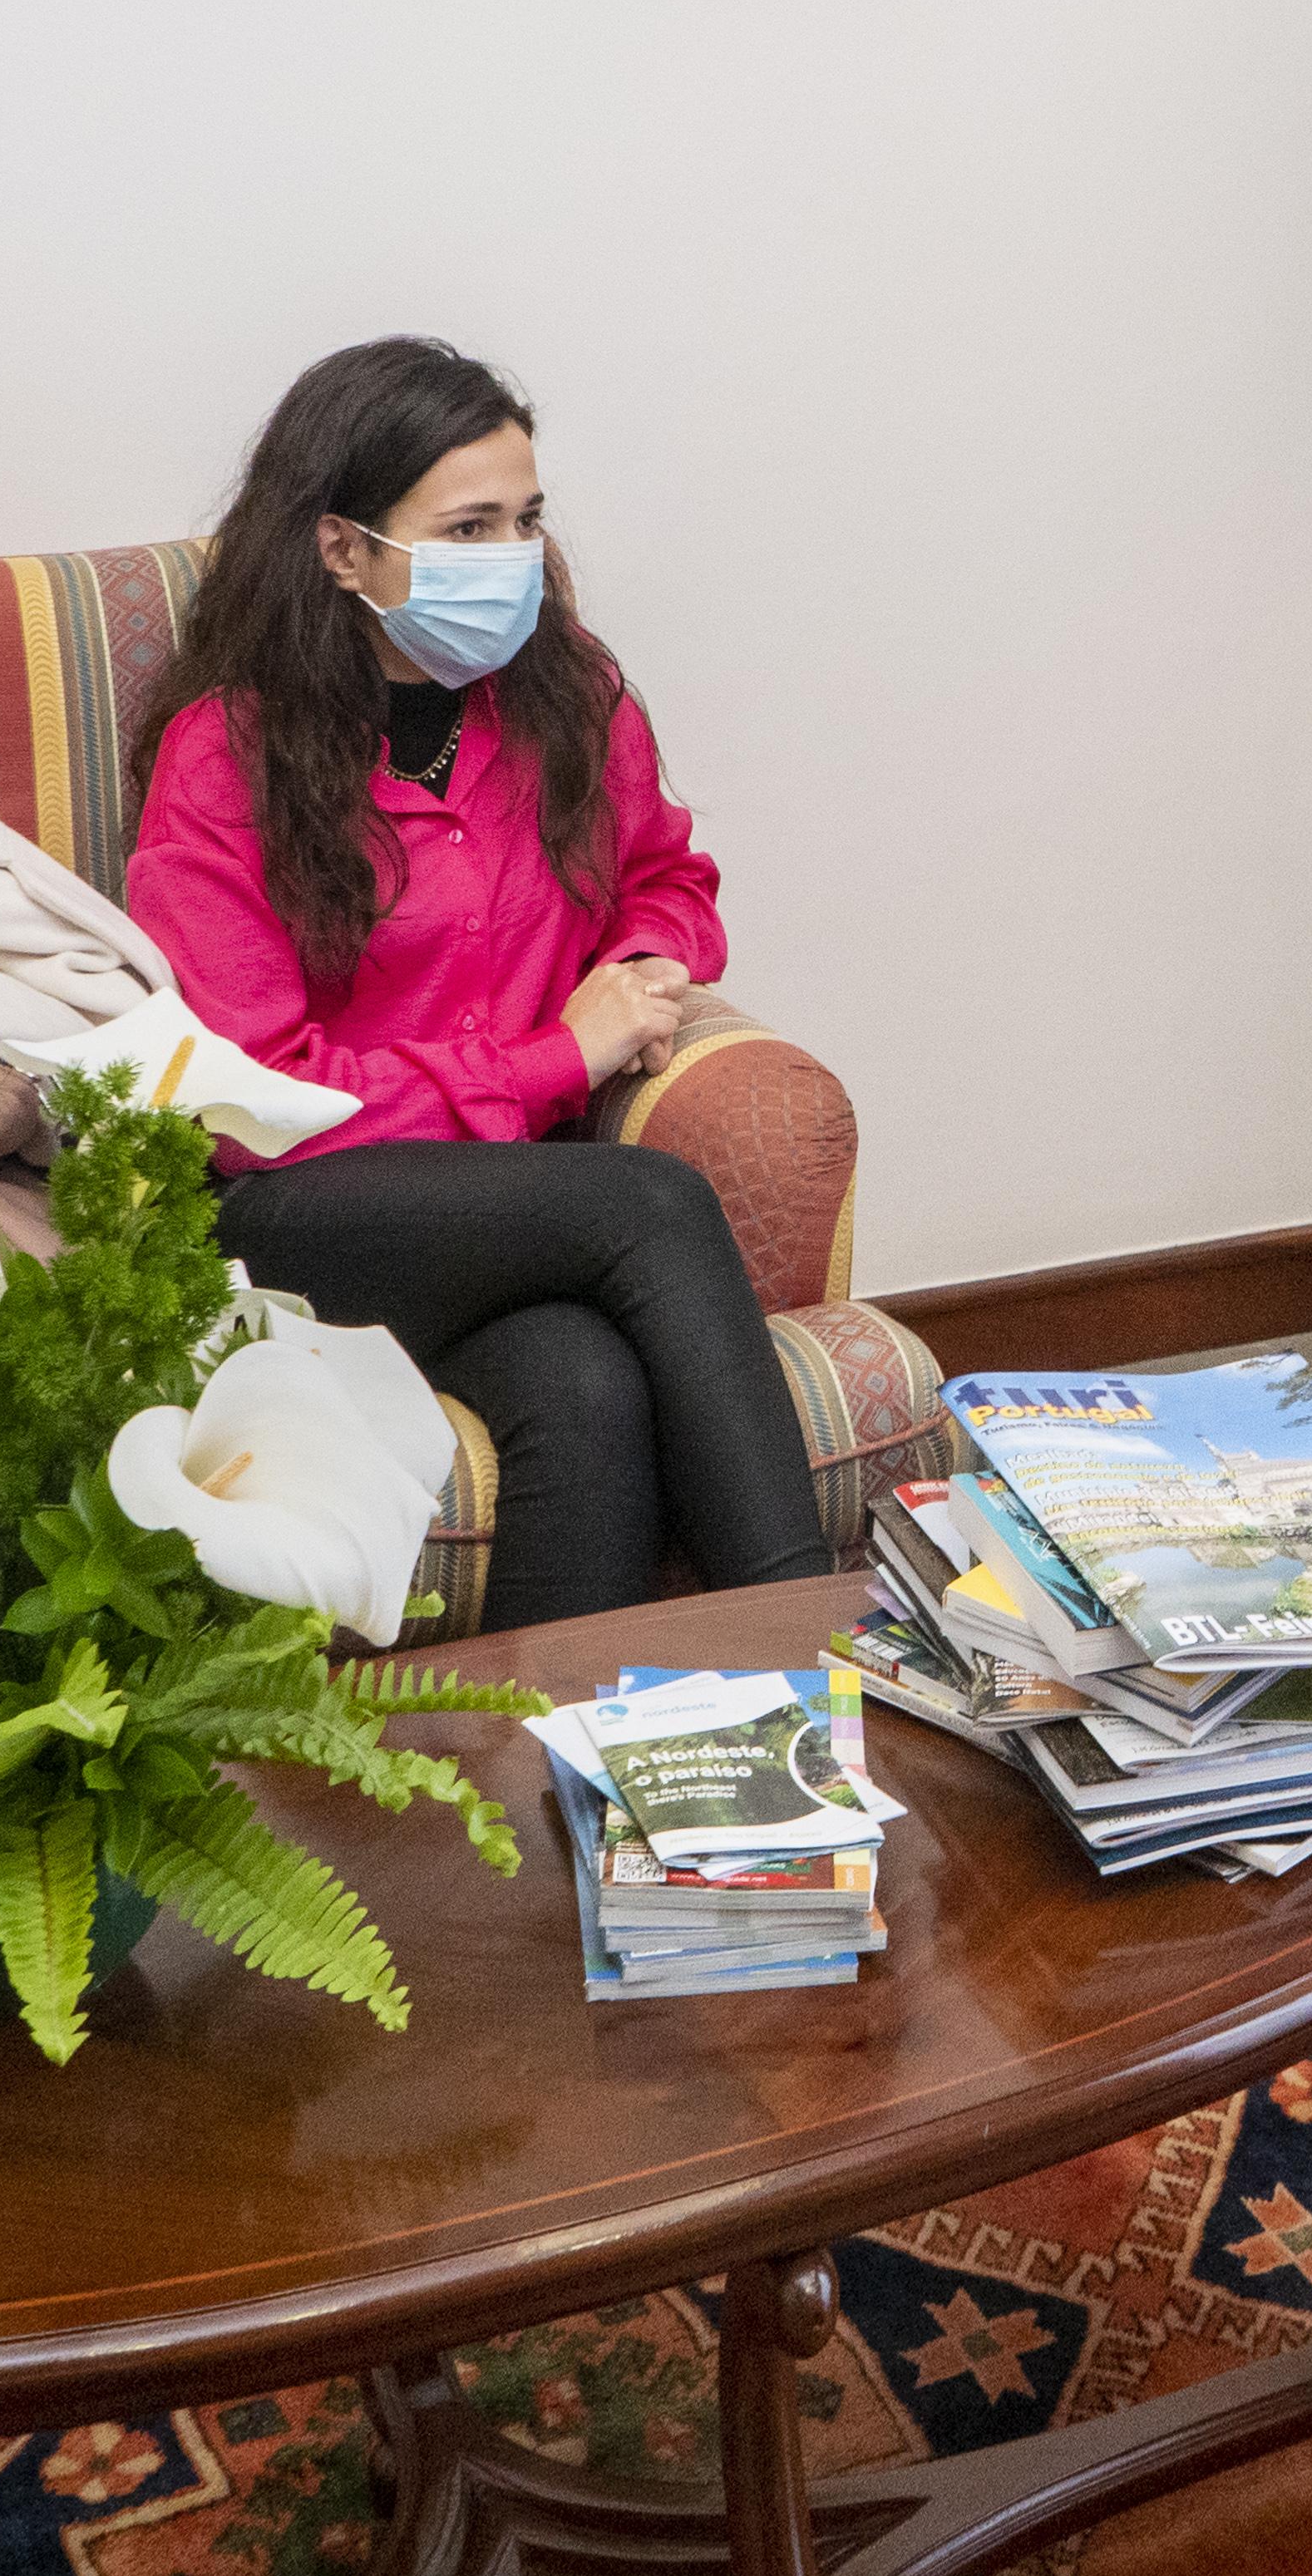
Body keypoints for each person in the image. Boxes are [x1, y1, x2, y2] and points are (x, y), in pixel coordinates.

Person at [125, 335, 835, 1632]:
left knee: (583, 1385)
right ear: (343, 550)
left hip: (507, 1212)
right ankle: (816, 1638)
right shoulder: (227, 757)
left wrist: (635, 970)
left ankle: (570, 1747)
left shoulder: (570, 694)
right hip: (295, 1210)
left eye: (526, 519)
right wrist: (555, 1058)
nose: (513, 557)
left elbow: (669, 877)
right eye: (468, 528)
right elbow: (251, 1095)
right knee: (651, 1201)